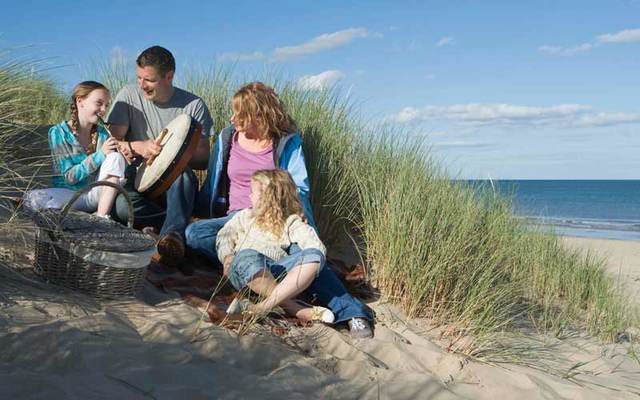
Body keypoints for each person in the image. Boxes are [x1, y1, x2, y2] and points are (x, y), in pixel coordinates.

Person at [188, 82, 374, 338]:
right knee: (195, 235)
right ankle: (289, 298)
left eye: (240, 113)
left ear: (259, 114)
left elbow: (300, 187)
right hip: (237, 219)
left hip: (276, 220)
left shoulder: (286, 142)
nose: (232, 118)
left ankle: (352, 313)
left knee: (312, 258)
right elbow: (213, 181)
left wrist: (299, 215)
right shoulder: (226, 138)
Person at [106, 46, 213, 267]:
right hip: (139, 184)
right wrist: (138, 146)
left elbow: (203, 160)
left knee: (181, 174)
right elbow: (109, 144)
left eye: (149, 80)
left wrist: (172, 154)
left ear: (169, 76)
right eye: (139, 78)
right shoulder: (128, 96)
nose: (142, 85)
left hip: (175, 188)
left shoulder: (193, 106)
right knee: (121, 208)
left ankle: (168, 241)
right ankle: (178, 227)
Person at [217, 169, 335, 323]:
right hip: (244, 271)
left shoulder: (291, 222)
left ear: (268, 198)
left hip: (277, 271)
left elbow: (317, 247)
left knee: (315, 254)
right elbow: (224, 236)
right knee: (247, 255)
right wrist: (227, 257)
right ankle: (294, 308)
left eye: (253, 192)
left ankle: (260, 308)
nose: (249, 195)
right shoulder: (245, 216)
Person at [25, 81, 125, 216]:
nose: (103, 110)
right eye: (99, 103)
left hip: (95, 194)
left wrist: (120, 156)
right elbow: (69, 177)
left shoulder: (103, 133)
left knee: (116, 158)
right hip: (68, 195)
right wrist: (100, 154)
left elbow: (110, 172)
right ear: (80, 101)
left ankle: (101, 218)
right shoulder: (58, 133)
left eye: (106, 105)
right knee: (32, 199)